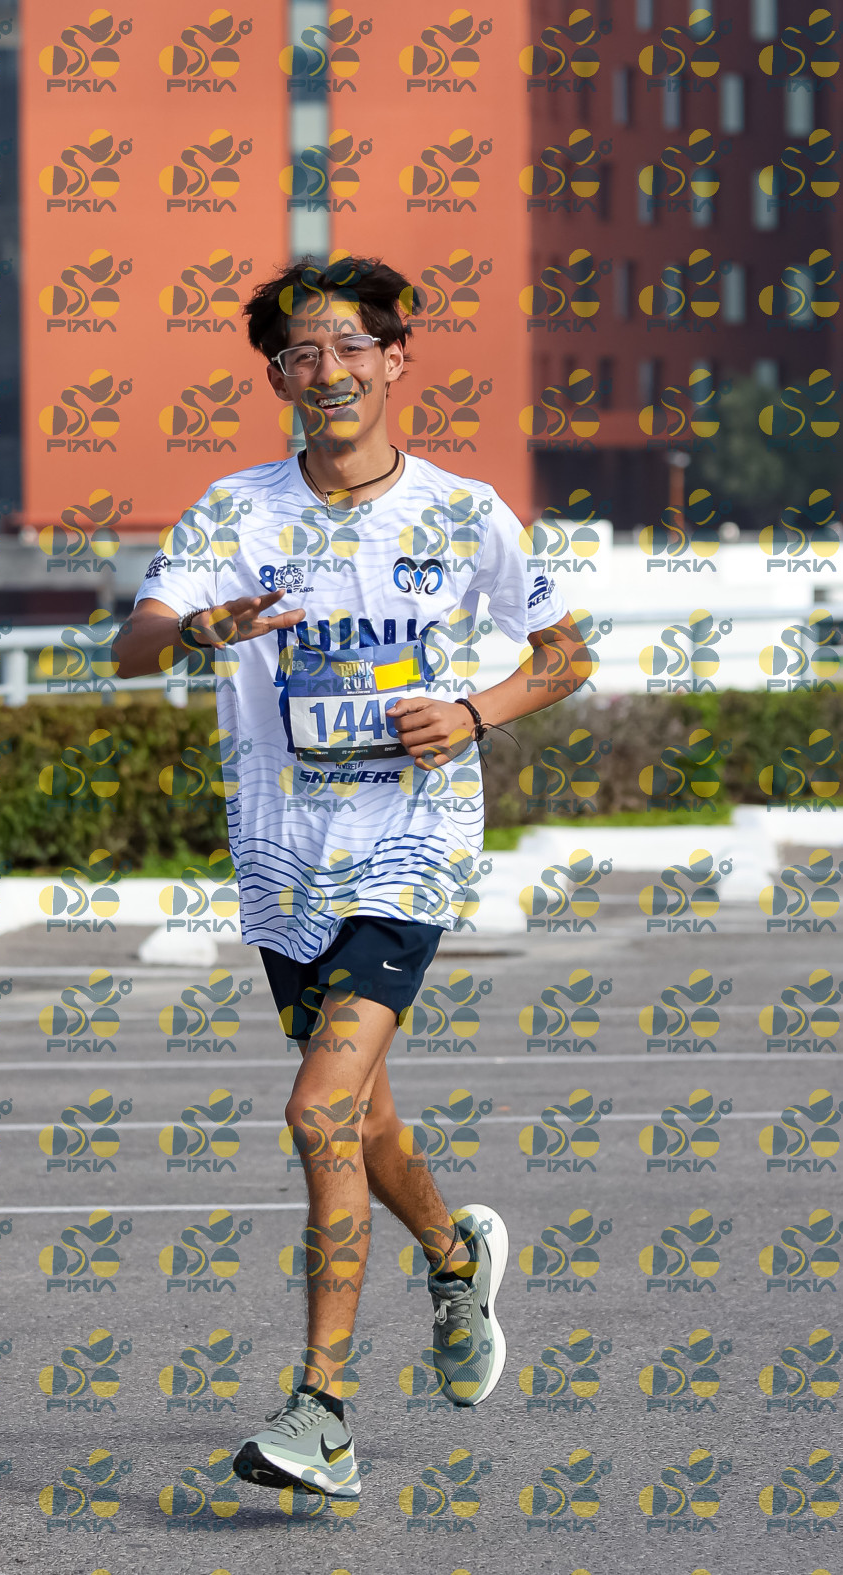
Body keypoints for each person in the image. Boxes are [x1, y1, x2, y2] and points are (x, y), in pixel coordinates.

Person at [113, 256, 591, 1501]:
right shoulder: (234, 512)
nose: (324, 370)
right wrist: (199, 629)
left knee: (319, 1110)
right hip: (283, 859)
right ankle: (454, 1252)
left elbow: (565, 653)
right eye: (298, 355)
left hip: (410, 846)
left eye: (347, 347)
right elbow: (132, 643)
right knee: (363, 1116)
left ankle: (321, 1411)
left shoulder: (464, 513)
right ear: (277, 378)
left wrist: (473, 713)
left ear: (395, 358)